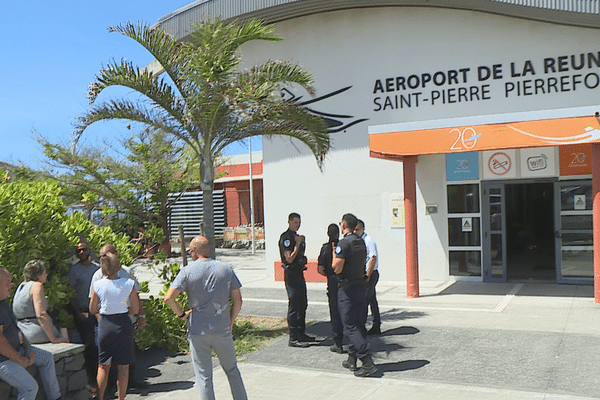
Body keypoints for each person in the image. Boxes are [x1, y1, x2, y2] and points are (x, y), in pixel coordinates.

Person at [164, 236, 247, 400]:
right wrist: (231, 322)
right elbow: (238, 300)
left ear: (194, 251)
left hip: (198, 330)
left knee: (204, 377)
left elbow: (169, 298)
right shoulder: (225, 269)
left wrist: (182, 315)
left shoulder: (187, 271)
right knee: (232, 370)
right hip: (222, 328)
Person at [0, 268, 63, 400]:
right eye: (7, 282)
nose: (11, 285)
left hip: (18, 350)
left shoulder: (3, 304)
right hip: (4, 360)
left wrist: (28, 350)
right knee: (30, 387)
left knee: (46, 357)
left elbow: (17, 330)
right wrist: (19, 359)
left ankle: (55, 397)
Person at [91, 244, 146, 392]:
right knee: (123, 365)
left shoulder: (99, 283)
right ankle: (120, 395)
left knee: (104, 364)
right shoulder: (126, 283)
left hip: (105, 322)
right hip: (122, 320)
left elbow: (92, 308)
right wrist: (124, 309)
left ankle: (102, 395)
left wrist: (104, 313)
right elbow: (134, 307)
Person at [332, 213, 377, 377]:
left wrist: (333, 255)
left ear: (343, 225)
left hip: (348, 289)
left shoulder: (344, 243)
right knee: (358, 325)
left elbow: (336, 268)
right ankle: (352, 358)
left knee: (350, 326)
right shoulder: (361, 241)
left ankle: (367, 361)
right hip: (360, 286)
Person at [278, 212, 315, 348]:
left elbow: (299, 257)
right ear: (289, 222)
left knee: (303, 303)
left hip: (299, 272)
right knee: (294, 305)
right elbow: (289, 258)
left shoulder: (297, 237)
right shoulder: (286, 237)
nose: (297, 225)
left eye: (299, 223)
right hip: (291, 274)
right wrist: (298, 245)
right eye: (295, 222)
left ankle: (301, 332)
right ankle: (293, 337)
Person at [12, 260, 68, 344]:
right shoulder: (37, 286)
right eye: (45, 272)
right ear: (39, 274)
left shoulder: (21, 287)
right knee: (64, 337)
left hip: (23, 333)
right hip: (37, 333)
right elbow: (41, 314)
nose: (46, 274)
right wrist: (53, 339)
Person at [68, 242, 100, 387]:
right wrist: (78, 312)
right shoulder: (74, 270)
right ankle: (90, 377)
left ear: (89, 251)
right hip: (82, 313)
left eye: (83, 250)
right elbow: (70, 294)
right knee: (88, 345)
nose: (81, 252)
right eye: (78, 251)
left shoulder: (97, 269)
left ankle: (100, 377)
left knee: (98, 344)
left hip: (97, 313)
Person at [317, 223, 344, 353]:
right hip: (344, 280)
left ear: (328, 234)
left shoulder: (325, 248)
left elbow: (320, 269)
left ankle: (338, 342)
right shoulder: (343, 246)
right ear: (338, 233)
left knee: (334, 312)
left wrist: (328, 274)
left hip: (332, 281)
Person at [355, 219, 381, 335]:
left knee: (366, 299)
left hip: (370, 273)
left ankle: (367, 325)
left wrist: (367, 275)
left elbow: (372, 258)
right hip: (363, 273)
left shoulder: (368, 240)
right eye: (354, 229)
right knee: (371, 299)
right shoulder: (358, 240)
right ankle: (376, 324)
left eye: (358, 229)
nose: (356, 232)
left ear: (363, 229)